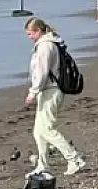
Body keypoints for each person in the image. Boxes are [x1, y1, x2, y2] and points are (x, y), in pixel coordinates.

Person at [23, 17, 84, 176]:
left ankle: (74, 159)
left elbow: (42, 72)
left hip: (51, 89)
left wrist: (33, 92)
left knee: (48, 129)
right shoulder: (49, 43)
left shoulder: (45, 46)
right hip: (48, 89)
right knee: (38, 131)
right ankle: (43, 166)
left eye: (30, 34)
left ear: (38, 31)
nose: (29, 37)